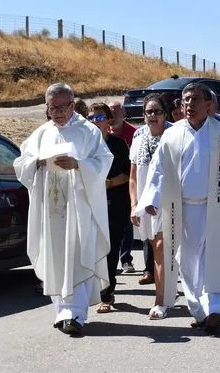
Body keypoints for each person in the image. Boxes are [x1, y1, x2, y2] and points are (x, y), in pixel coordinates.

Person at [136, 82, 220, 333]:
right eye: (185, 99)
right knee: (187, 262)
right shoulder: (171, 135)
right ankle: (200, 311)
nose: (189, 104)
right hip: (181, 209)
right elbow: (158, 171)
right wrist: (151, 200)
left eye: (195, 99)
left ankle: (216, 308)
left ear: (208, 104)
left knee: (215, 258)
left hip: (215, 207)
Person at [13, 83, 113, 336]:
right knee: (55, 256)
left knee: (77, 256)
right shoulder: (41, 133)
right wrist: (35, 163)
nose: (56, 112)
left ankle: (75, 314)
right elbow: (21, 164)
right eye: (51, 107)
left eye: (61, 106)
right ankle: (61, 311)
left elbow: (104, 161)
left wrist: (78, 164)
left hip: (79, 209)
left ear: (72, 104)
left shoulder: (88, 131)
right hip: (50, 209)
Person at [129, 93, 173, 319]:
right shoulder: (138, 138)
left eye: (157, 111)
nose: (152, 116)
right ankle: (166, 294)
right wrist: (134, 204)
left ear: (165, 114)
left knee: (161, 249)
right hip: (145, 205)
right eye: (148, 112)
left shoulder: (174, 136)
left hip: (169, 203)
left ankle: (161, 300)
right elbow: (133, 176)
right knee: (157, 250)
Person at [87, 102, 132, 314]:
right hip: (90, 205)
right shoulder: (85, 146)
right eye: (91, 118)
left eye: (99, 118)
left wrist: (108, 183)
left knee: (111, 250)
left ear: (109, 120)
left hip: (115, 204)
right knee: (92, 249)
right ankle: (91, 291)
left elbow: (128, 174)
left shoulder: (118, 144)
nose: (94, 122)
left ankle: (106, 294)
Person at [108, 101, 138, 274]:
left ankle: (126, 259)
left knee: (126, 224)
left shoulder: (133, 133)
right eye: (110, 112)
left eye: (115, 112)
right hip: (107, 187)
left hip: (127, 183)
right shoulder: (100, 132)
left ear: (123, 114)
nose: (112, 115)